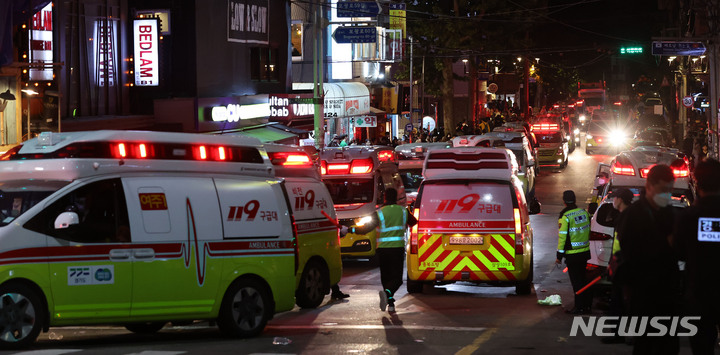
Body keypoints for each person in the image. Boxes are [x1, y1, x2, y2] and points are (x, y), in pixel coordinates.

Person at [615, 164, 679, 354]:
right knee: (645, 344)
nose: (667, 194)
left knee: (668, 345)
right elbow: (632, 251)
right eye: (663, 189)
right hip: (642, 291)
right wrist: (664, 243)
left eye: (670, 190)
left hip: (668, 290)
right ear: (649, 186)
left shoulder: (671, 214)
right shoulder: (633, 215)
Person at [340, 188, 417, 312]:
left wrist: (348, 230)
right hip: (397, 249)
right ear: (396, 197)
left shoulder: (380, 212)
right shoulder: (403, 211)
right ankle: (388, 295)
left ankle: (390, 303)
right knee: (397, 279)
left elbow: (365, 228)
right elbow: (414, 222)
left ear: (385, 197)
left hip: (382, 250)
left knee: (386, 277)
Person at [673, 159, 720, 355]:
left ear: (697, 183)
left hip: (700, 291)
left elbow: (678, 252)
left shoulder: (689, 216)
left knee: (702, 344)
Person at [602, 187, 634, 345]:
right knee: (618, 302)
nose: (613, 200)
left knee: (627, 302)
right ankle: (618, 333)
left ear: (620, 199)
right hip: (619, 266)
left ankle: (629, 335)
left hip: (626, 267)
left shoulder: (629, 217)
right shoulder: (622, 216)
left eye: (615, 198)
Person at [555, 190, 592, 314]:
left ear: (564, 201)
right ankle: (587, 306)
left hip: (572, 255)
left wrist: (559, 256)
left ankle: (579, 307)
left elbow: (562, 237)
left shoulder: (565, 217)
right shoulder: (583, 213)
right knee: (583, 280)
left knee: (576, 283)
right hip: (585, 253)